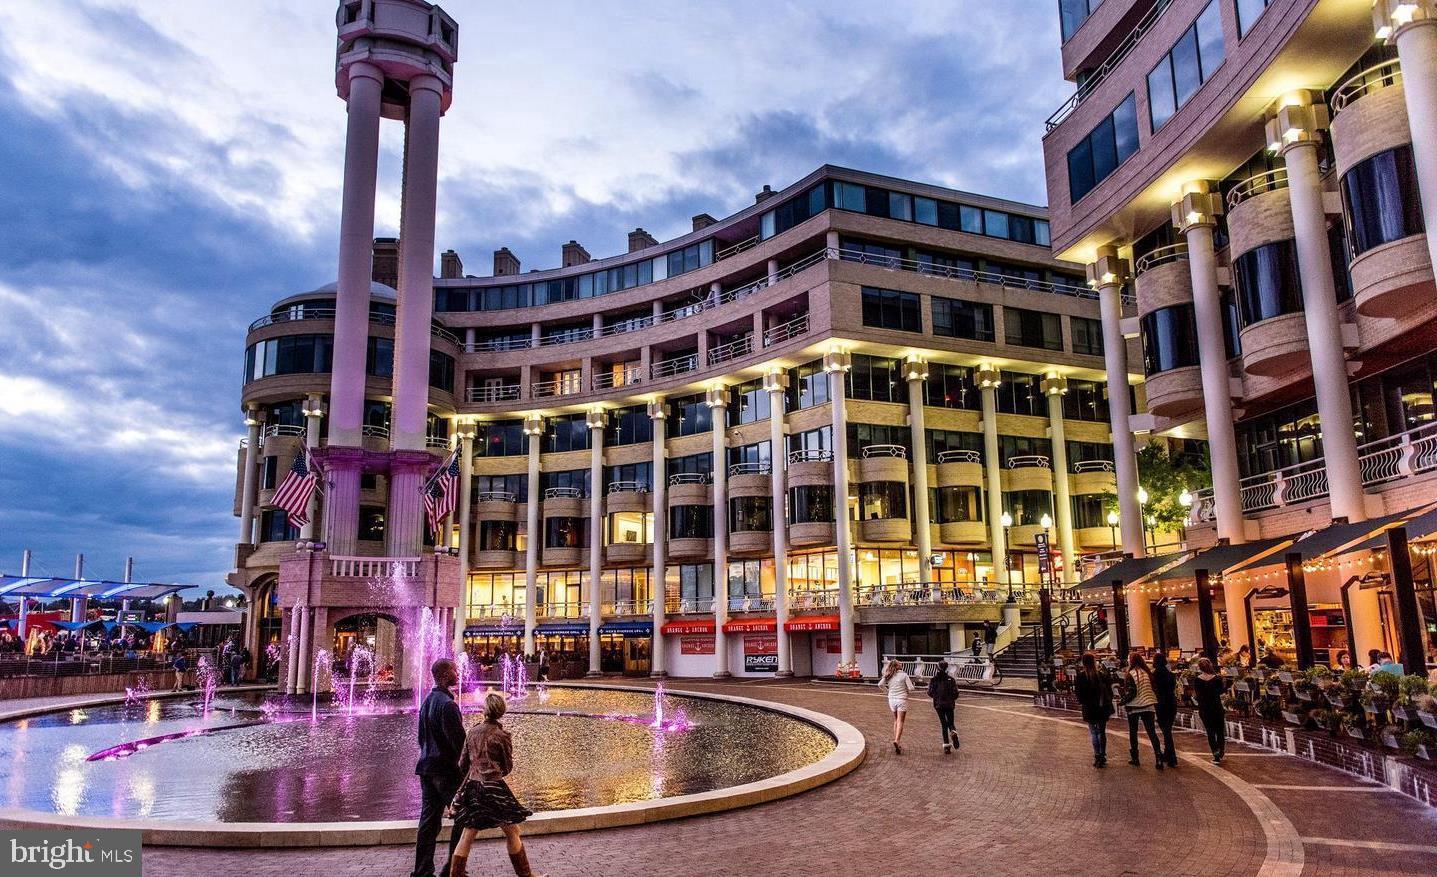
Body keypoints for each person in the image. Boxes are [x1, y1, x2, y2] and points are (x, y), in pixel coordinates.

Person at [447, 693, 542, 877]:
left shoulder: (472, 732)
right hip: (495, 788)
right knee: (512, 830)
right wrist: (496, 772)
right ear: (501, 711)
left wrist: (475, 772)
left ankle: (455, 874)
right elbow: (507, 766)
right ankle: (526, 874)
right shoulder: (502, 735)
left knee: (468, 833)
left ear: (485, 710)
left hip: (474, 787)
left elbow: (462, 764)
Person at [413, 658, 466, 877]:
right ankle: (453, 870)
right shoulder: (448, 705)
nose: (458, 673)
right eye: (455, 670)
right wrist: (465, 770)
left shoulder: (427, 701)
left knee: (428, 822)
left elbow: (421, 738)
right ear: (445, 675)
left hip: (427, 769)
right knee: (464, 815)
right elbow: (460, 744)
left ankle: (422, 871)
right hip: (446, 771)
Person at [1122, 653, 1164, 770]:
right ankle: (1158, 756)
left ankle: (1135, 757)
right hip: (1148, 704)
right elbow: (1154, 688)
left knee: (1133, 732)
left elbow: (1131, 692)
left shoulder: (1130, 674)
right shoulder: (1148, 673)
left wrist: (1123, 701)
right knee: (1151, 732)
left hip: (1134, 705)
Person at [1073, 652, 1114, 768]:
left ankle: (1097, 754)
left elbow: (1079, 694)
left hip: (1089, 708)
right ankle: (1102, 754)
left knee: (1094, 732)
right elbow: (1109, 691)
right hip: (1101, 707)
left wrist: (1083, 702)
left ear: (1083, 663)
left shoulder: (1081, 677)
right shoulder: (1101, 675)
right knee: (1102, 732)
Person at [1190, 657, 1227, 763]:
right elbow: (1221, 691)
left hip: (1204, 708)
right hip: (1216, 706)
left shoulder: (1197, 680)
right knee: (1219, 731)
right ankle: (1221, 750)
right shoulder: (1217, 678)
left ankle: (1215, 752)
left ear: (1200, 668)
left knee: (1210, 731)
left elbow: (1197, 695)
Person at [877, 659, 915, 755]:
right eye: (899, 663)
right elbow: (911, 688)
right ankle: (897, 741)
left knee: (896, 720)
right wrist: (908, 689)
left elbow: (880, 684)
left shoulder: (888, 675)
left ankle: (896, 739)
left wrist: (887, 691)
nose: (901, 664)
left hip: (891, 700)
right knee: (900, 721)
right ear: (897, 666)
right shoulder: (904, 675)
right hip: (901, 699)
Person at [1151, 654, 1180, 769]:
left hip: (1161, 703)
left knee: (1166, 731)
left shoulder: (1154, 675)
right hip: (1171, 703)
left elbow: (1154, 689)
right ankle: (1168, 754)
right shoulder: (1170, 675)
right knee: (1167, 730)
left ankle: (1171, 757)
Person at [926, 660, 960, 754]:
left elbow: (930, 692)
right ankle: (953, 731)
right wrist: (951, 699)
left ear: (937, 668)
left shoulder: (934, 679)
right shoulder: (951, 679)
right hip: (949, 704)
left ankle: (946, 746)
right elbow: (956, 693)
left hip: (939, 704)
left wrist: (936, 697)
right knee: (951, 722)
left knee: (944, 724)